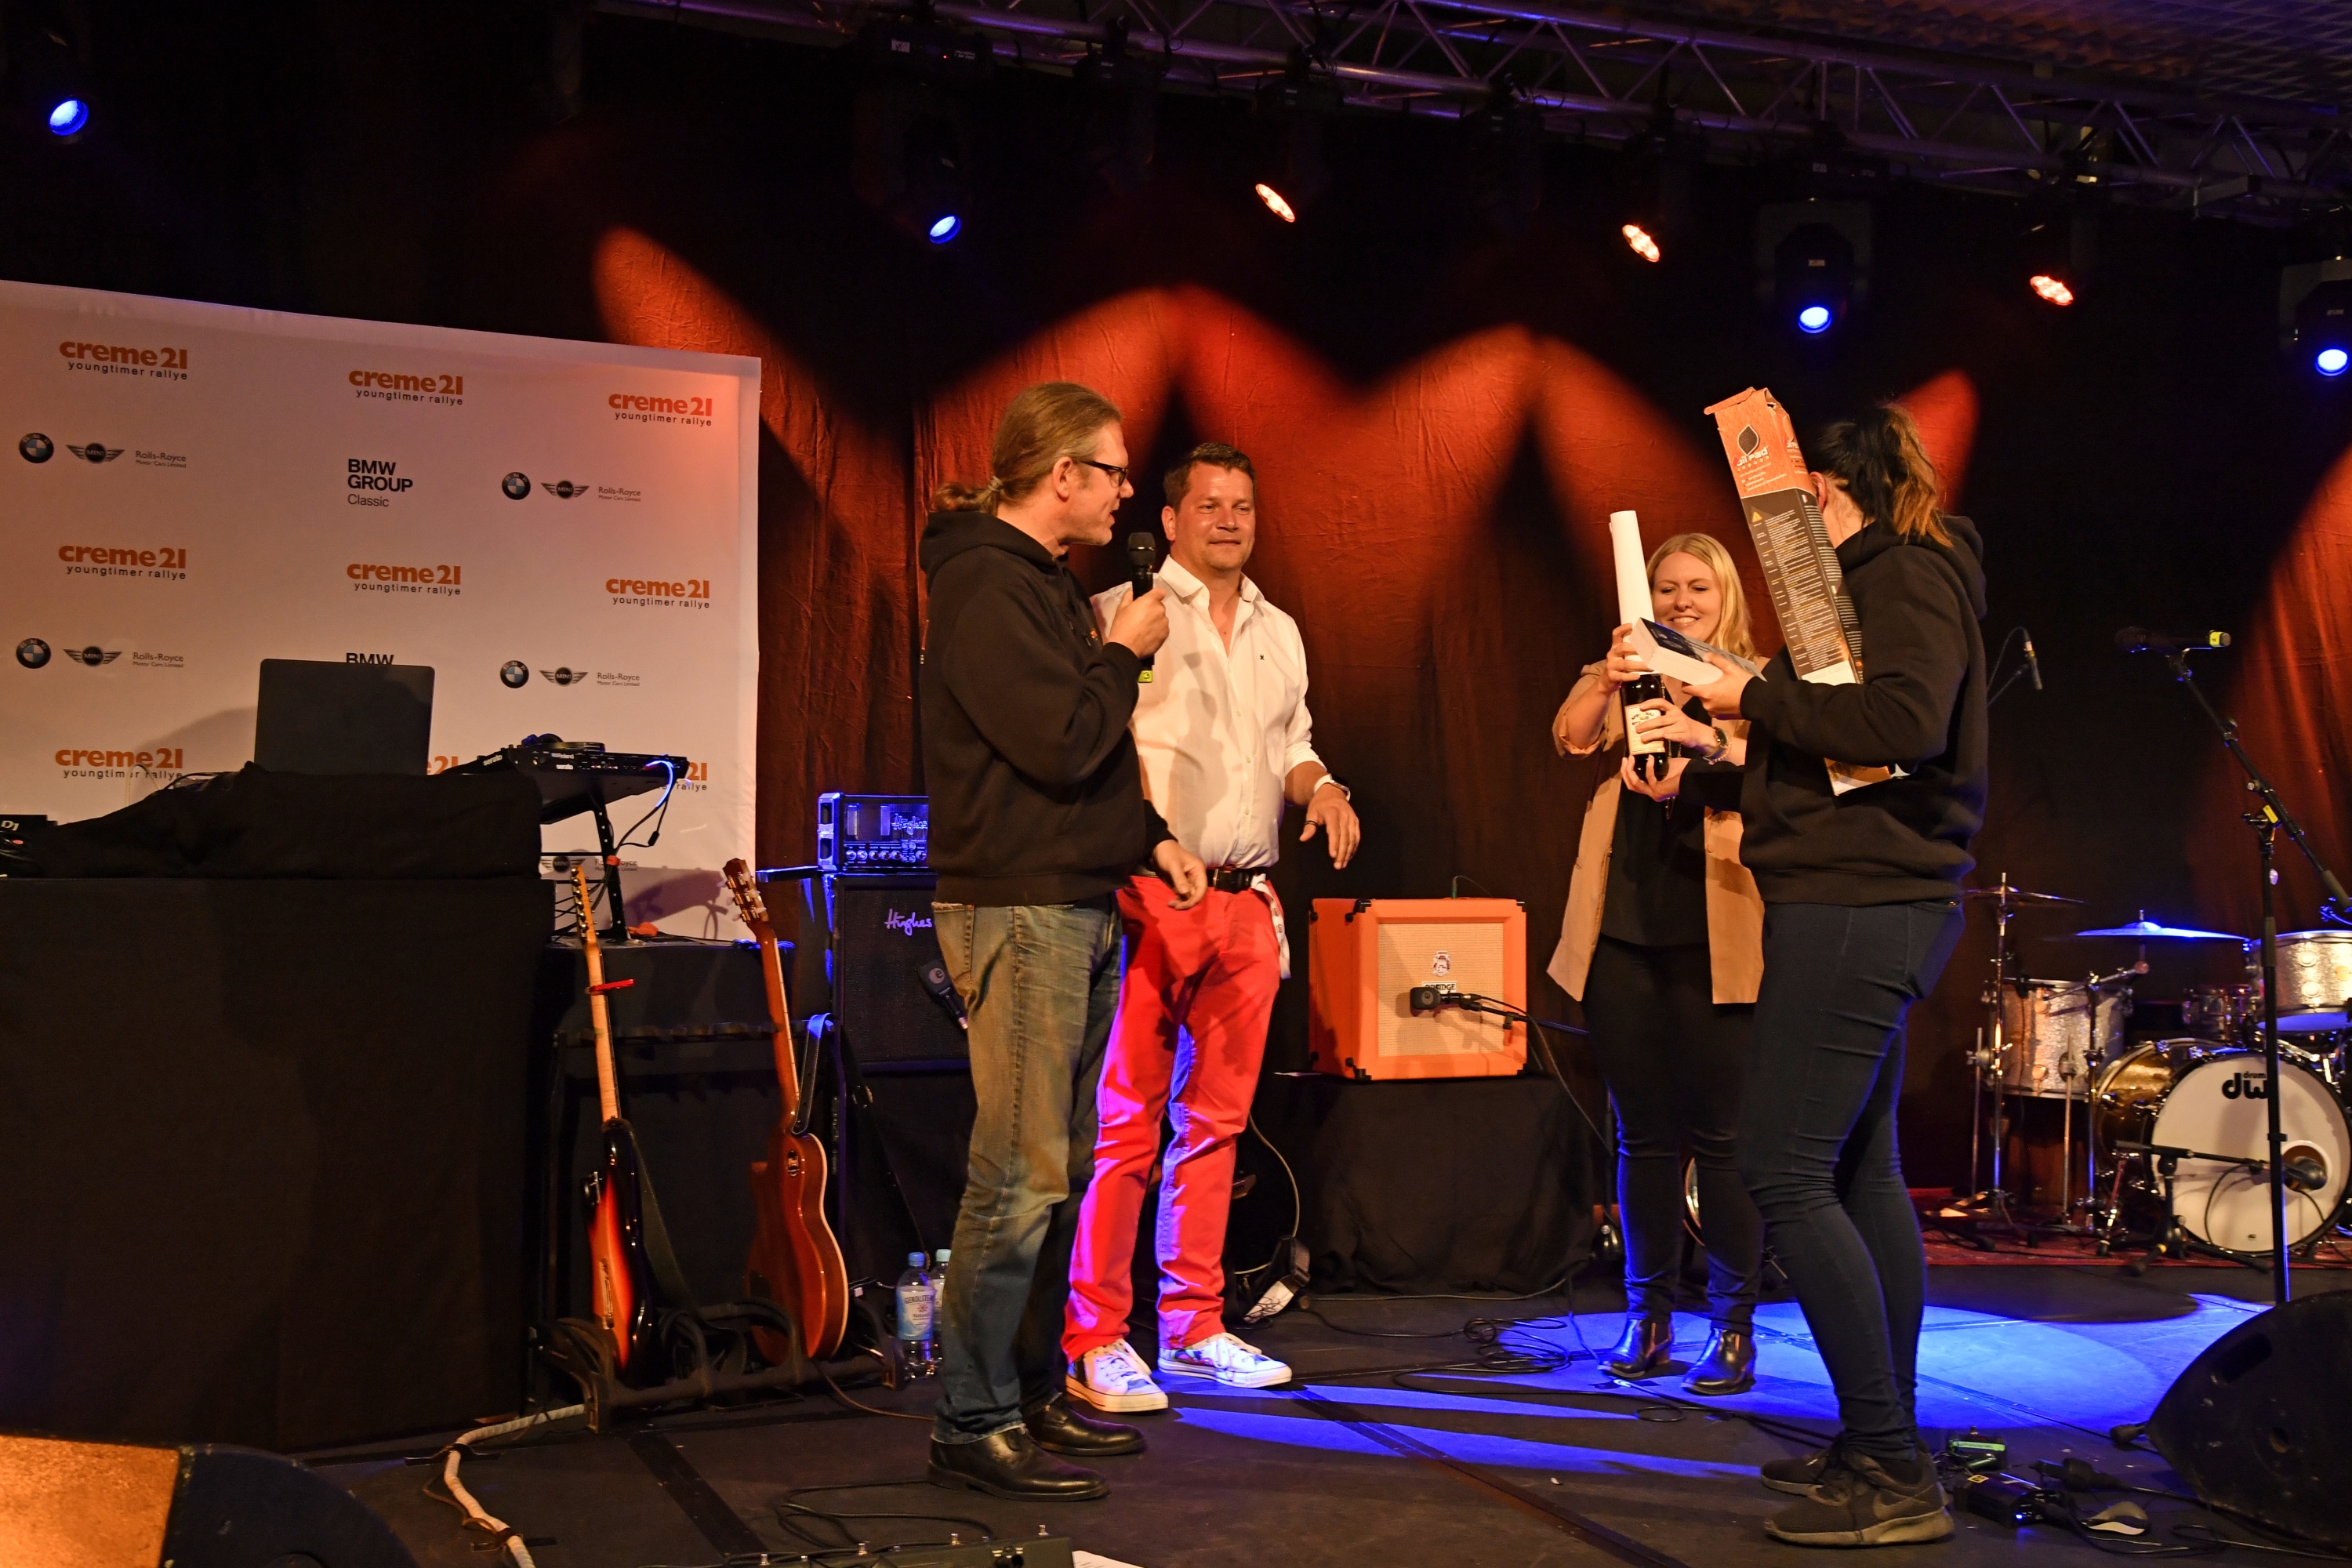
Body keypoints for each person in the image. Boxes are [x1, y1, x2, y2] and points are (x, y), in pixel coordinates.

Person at [1695, 405, 1988, 1547]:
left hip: (1864, 906)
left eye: (1785, 503)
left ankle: (1894, 1468)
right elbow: (1847, 752)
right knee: (1862, 1170)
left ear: (1821, 491)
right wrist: (1736, 739)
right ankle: (1880, 1440)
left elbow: (1905, 721)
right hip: (1853, 895)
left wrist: (1749, 694)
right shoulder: (1885, 578)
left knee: (1780, 1166)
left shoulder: (1905, 572)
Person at [918, 381, 1209, 1501]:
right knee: (1019, 1170)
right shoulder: (985, 582)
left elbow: (1090, 761)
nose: (1127, 491)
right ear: (1063, 476)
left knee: (1063, 1169)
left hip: (1076, 898)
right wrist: (1123, 651)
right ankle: (972, 1417)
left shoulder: (1040, 582)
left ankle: (1031, 1391)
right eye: (1116, 470)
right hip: (1021, 906)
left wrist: (1151, 838)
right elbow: (1056, 738)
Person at [1062, 443, 1362, 1413]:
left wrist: (1324, 788)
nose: (1228, 521)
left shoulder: (1279, 627)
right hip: (1152, 891)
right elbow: (1095, 747)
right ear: (1171, 517)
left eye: (1242, 506)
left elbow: (1292, 744)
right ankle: (1097, 1334)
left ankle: (1192, 1325)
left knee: (1217, 1126)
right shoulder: (1127, 609)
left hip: (1247, 899)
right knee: (1126, 1125)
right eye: (1209, 505)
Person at [1547, 532, 1768, 1398]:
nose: (1682, 602)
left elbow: (1775, 772)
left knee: (1721, 1137)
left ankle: (1734, 1323)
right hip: (1623, 927)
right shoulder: (1628, 669)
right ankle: (1648, 1316)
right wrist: (1609, 675)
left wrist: (1704, 736)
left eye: (1698, 588)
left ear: (1726, 597)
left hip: (1716, 928)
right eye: (1668, 588)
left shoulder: (1751, 679)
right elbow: (1569, 736)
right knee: (1640, 1134)